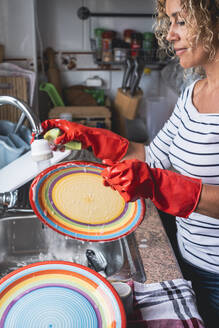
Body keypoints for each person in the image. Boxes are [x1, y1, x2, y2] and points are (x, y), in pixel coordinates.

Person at [41, 0, 219, 326]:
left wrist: (159, 183)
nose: (170, 35)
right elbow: (155, 155)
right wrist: (91, 138)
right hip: (188, 258)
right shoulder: (193, 92)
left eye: (180, 21)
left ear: (213, 20)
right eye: (170, 22)